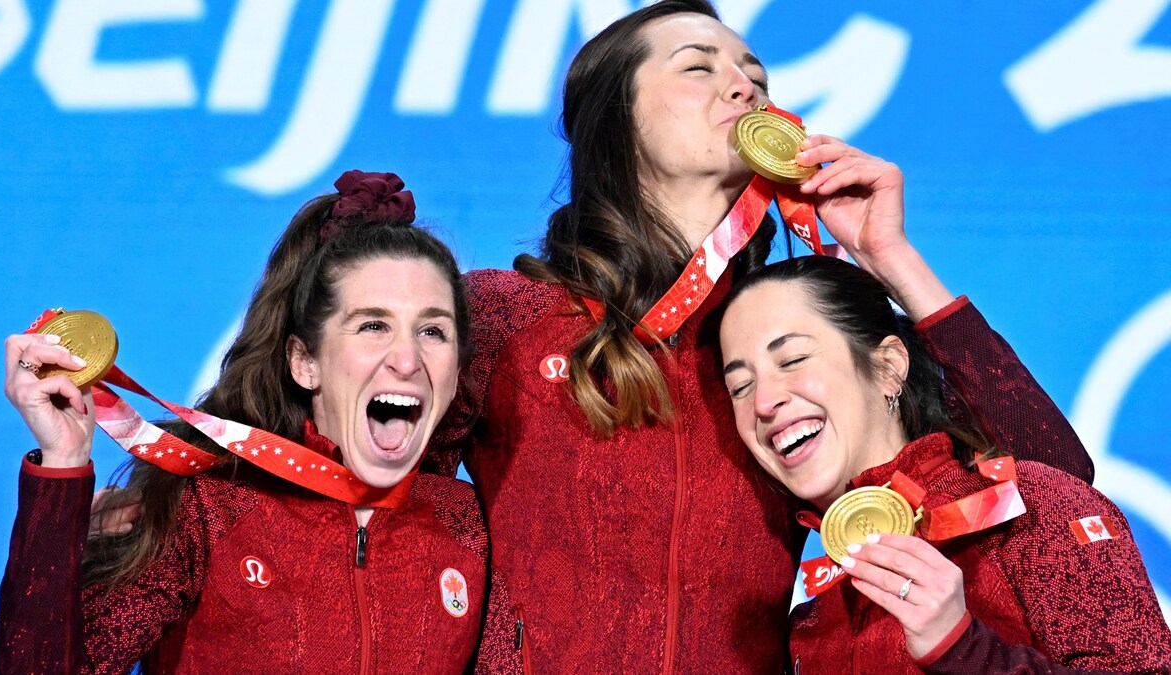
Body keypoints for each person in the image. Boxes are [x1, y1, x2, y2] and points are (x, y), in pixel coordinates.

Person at [423, 1, 1096, 672]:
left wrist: (889, 257)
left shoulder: (777, 352)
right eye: (698, 67)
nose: (746, 87)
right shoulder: (503, 316)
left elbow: (1055, 483)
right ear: (618, 119)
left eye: (756, 76)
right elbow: (382, 530)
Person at [0, 171, 514, 673]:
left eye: (433, 331)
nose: (407, 359)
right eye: (373, 325)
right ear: (304, 361)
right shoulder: (209, 506)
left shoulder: (469, 527)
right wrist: (62, 468)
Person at [718, 255, 1171, 673]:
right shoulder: (811, 623)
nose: (763, 401)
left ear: (889, 366)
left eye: (793, 359)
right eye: (740, 386)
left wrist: (964, 648)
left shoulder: (1024, 509)